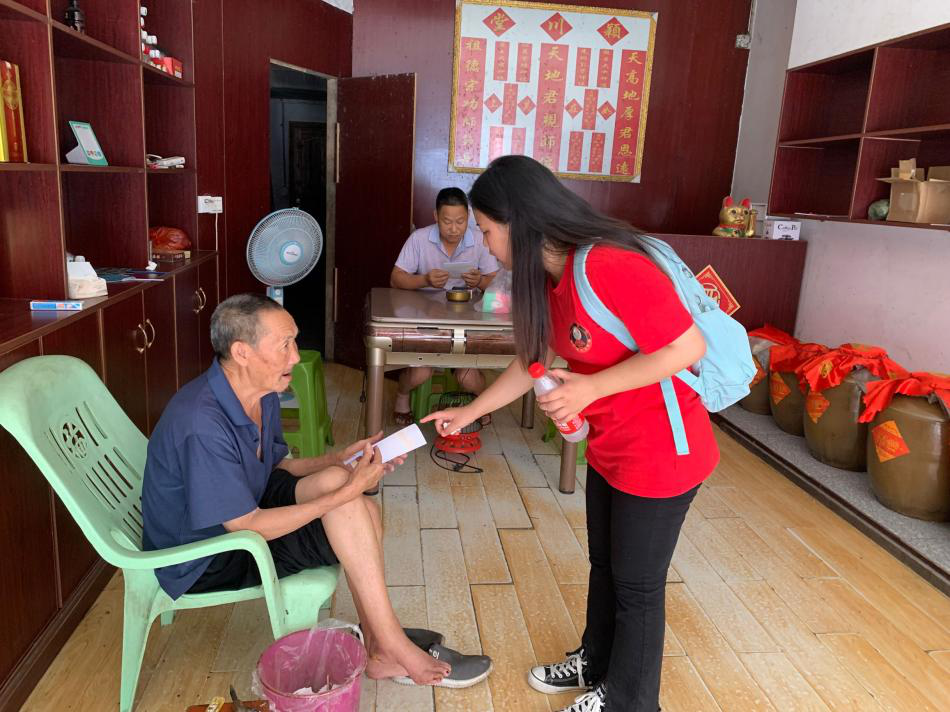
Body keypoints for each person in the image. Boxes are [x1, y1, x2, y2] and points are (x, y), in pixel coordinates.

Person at [424, 156, 719, 712]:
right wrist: (469, 413)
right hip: (612, 446)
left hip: (662, 450)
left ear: (518, 221)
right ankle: (596, 662)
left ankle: (629, 702)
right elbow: (532, 360)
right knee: (605, 567)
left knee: (637, 586)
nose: (485, 243)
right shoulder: (551, 278)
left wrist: (589, 389)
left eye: (486, 230)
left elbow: (686, 348)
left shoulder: (610, 265)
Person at [142, 293, 491, 689]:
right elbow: (246, 526)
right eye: (284, 345)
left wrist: (338, 460)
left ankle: (380, 643)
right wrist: (345, 492)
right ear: (242, 352)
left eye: (294, 341)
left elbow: (276, 466)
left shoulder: (259, 392)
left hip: (244, 504)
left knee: (339, 484)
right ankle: (389, 643)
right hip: (205, 555)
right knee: (347, 504)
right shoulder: (202, 424)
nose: (295, 356)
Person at [390, 187, 499, 424]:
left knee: (468, 377)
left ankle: (481, 404)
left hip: (467, 321)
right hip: (425, 319)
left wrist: (479, 281)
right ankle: (402, 396)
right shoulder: (419, 239)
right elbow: (396, 278)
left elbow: (497, 282)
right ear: (435, 216)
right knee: (420, 372)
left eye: (460, 221)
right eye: (447, 221)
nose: (454, 228)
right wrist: (424, 280)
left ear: (468, 218)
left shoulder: (479, 240)